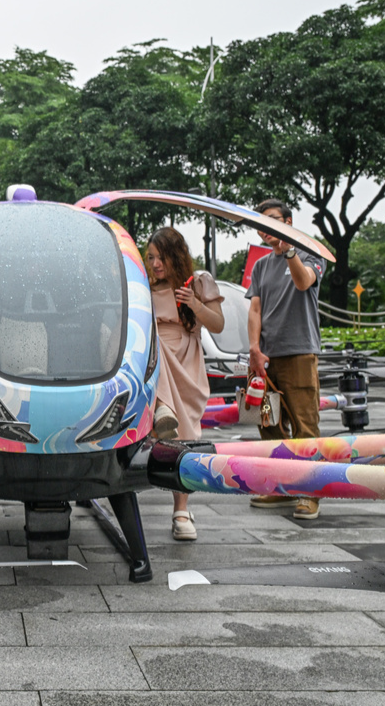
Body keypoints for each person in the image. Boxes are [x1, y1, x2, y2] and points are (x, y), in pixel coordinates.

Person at [246, 199, 325, 519]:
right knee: (269, 424)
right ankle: (281, 487)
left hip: (299, 353)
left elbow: (303, 281)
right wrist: (253, 347)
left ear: (288, 221)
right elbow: (254, 309)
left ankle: (310, 492)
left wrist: (290, 249)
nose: (266, 230)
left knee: (305, 425)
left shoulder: (310, 252)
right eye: (261, 225)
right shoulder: (261, 265)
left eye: (272, 222)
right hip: (266, 357)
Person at [145, 227, 224, 540]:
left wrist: (193, 302)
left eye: (159, 256)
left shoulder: (199, 282)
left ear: (174, 255)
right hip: (154, 355)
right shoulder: (143, 286)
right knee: (154, 347)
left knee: (186, 435)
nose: (154, 263)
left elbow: (217, 324)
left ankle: (181, 510)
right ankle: (161, 406)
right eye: (149, 257)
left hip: (187, 358)